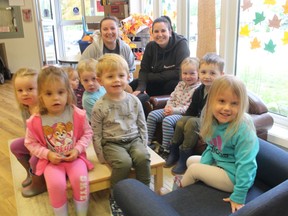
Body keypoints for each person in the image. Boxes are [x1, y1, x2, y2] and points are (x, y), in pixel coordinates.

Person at [171, 75, 259, 213]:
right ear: (211, 101)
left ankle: (173, 197)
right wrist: (204, 165)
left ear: (241, 105)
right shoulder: (213, 119)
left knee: (194, 170)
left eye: (234, 103)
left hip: (234, 176)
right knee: (190, 161)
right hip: (221, 164)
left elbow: (247, 165)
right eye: (222, 101)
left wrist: (239, 196)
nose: (226, 108)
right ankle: (191, 185)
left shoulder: (243, 130)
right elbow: (212, 147)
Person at [24, 66, 94, 215]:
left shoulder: (78, 114)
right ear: (41, 96)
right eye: (49, 93)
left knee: (81, 180)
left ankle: (82, 213)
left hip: (75, 159)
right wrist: (47, 154)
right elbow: (30, 143)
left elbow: (88, 133)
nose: (56, 98)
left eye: (60, 92)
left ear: (68, 92)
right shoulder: (35, 120)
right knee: (55, 184)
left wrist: (77, 149)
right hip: (51, 163)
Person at [91, 53, 150, 216]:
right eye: (110, 76)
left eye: (121, 76)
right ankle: (117, 197)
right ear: (100, 80)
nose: (117, 80)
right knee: (124, 163)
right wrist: (100, 156)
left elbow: (141, 123)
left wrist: (144, 145)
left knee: (142, 157)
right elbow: (95, 132)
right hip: (112, 143)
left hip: (134, 140)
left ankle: (145, 192)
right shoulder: (100, 106)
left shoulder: (134, 100)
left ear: (129, 76)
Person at [166, 53, 224, 174]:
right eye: (203, 72)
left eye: (212, 73)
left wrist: (192, 120)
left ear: (221, 75)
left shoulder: (220, 92)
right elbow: (191, 111)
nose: (207, 76)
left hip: (213, 123)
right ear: (199, 73)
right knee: (183, 120)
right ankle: (174, 151)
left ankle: (184, 157)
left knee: (192, 122)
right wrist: (183, 119)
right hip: (200, 120)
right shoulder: (199, 90)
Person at [130, 16, 190, 115]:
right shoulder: (150, 46)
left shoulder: (181, 44)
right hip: (156, 83)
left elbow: (179, 72)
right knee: (135, 84)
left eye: (163, 31)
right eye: (156, 31)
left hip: (172, 84)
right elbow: (144, 70)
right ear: (152, 33)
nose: (160, 34)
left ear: (170, 32)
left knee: (172, 84)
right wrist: (140, 88)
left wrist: (151, 76)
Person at [146, 57, 200, 158]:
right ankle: (148, 141)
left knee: (168, 121)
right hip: (171, 109)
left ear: (198, 74)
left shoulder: (198, 89)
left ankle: (166, 149)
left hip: (183, 115)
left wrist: (173, 111)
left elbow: (189, 108)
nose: (188, 76)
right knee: (152, 115)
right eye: (185, 73)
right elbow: (172, 96)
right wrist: (168, 107)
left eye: (192, 73)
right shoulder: (180, 84)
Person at [10, 68, 47, 197]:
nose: (24, 94)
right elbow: (28, 131)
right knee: (15, 146)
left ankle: (40, 184)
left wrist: (35, 149)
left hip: (49, 145)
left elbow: (48, 135)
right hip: (35, 143)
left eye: (30, 89)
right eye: (20, 90)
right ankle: (31, 174)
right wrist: (29, 144)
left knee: (34, 159)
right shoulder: (25, 108)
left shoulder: (44, 109)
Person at [81, 16, 135, 82]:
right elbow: (81, 70)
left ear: (118, 31)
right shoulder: (93, 49)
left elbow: (131, 71)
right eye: (105, 29)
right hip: (99, 88)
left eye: (112, 28)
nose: (109, 32)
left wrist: (123, 84)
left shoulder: (125, 48)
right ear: (100, 32)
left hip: (121, 85)